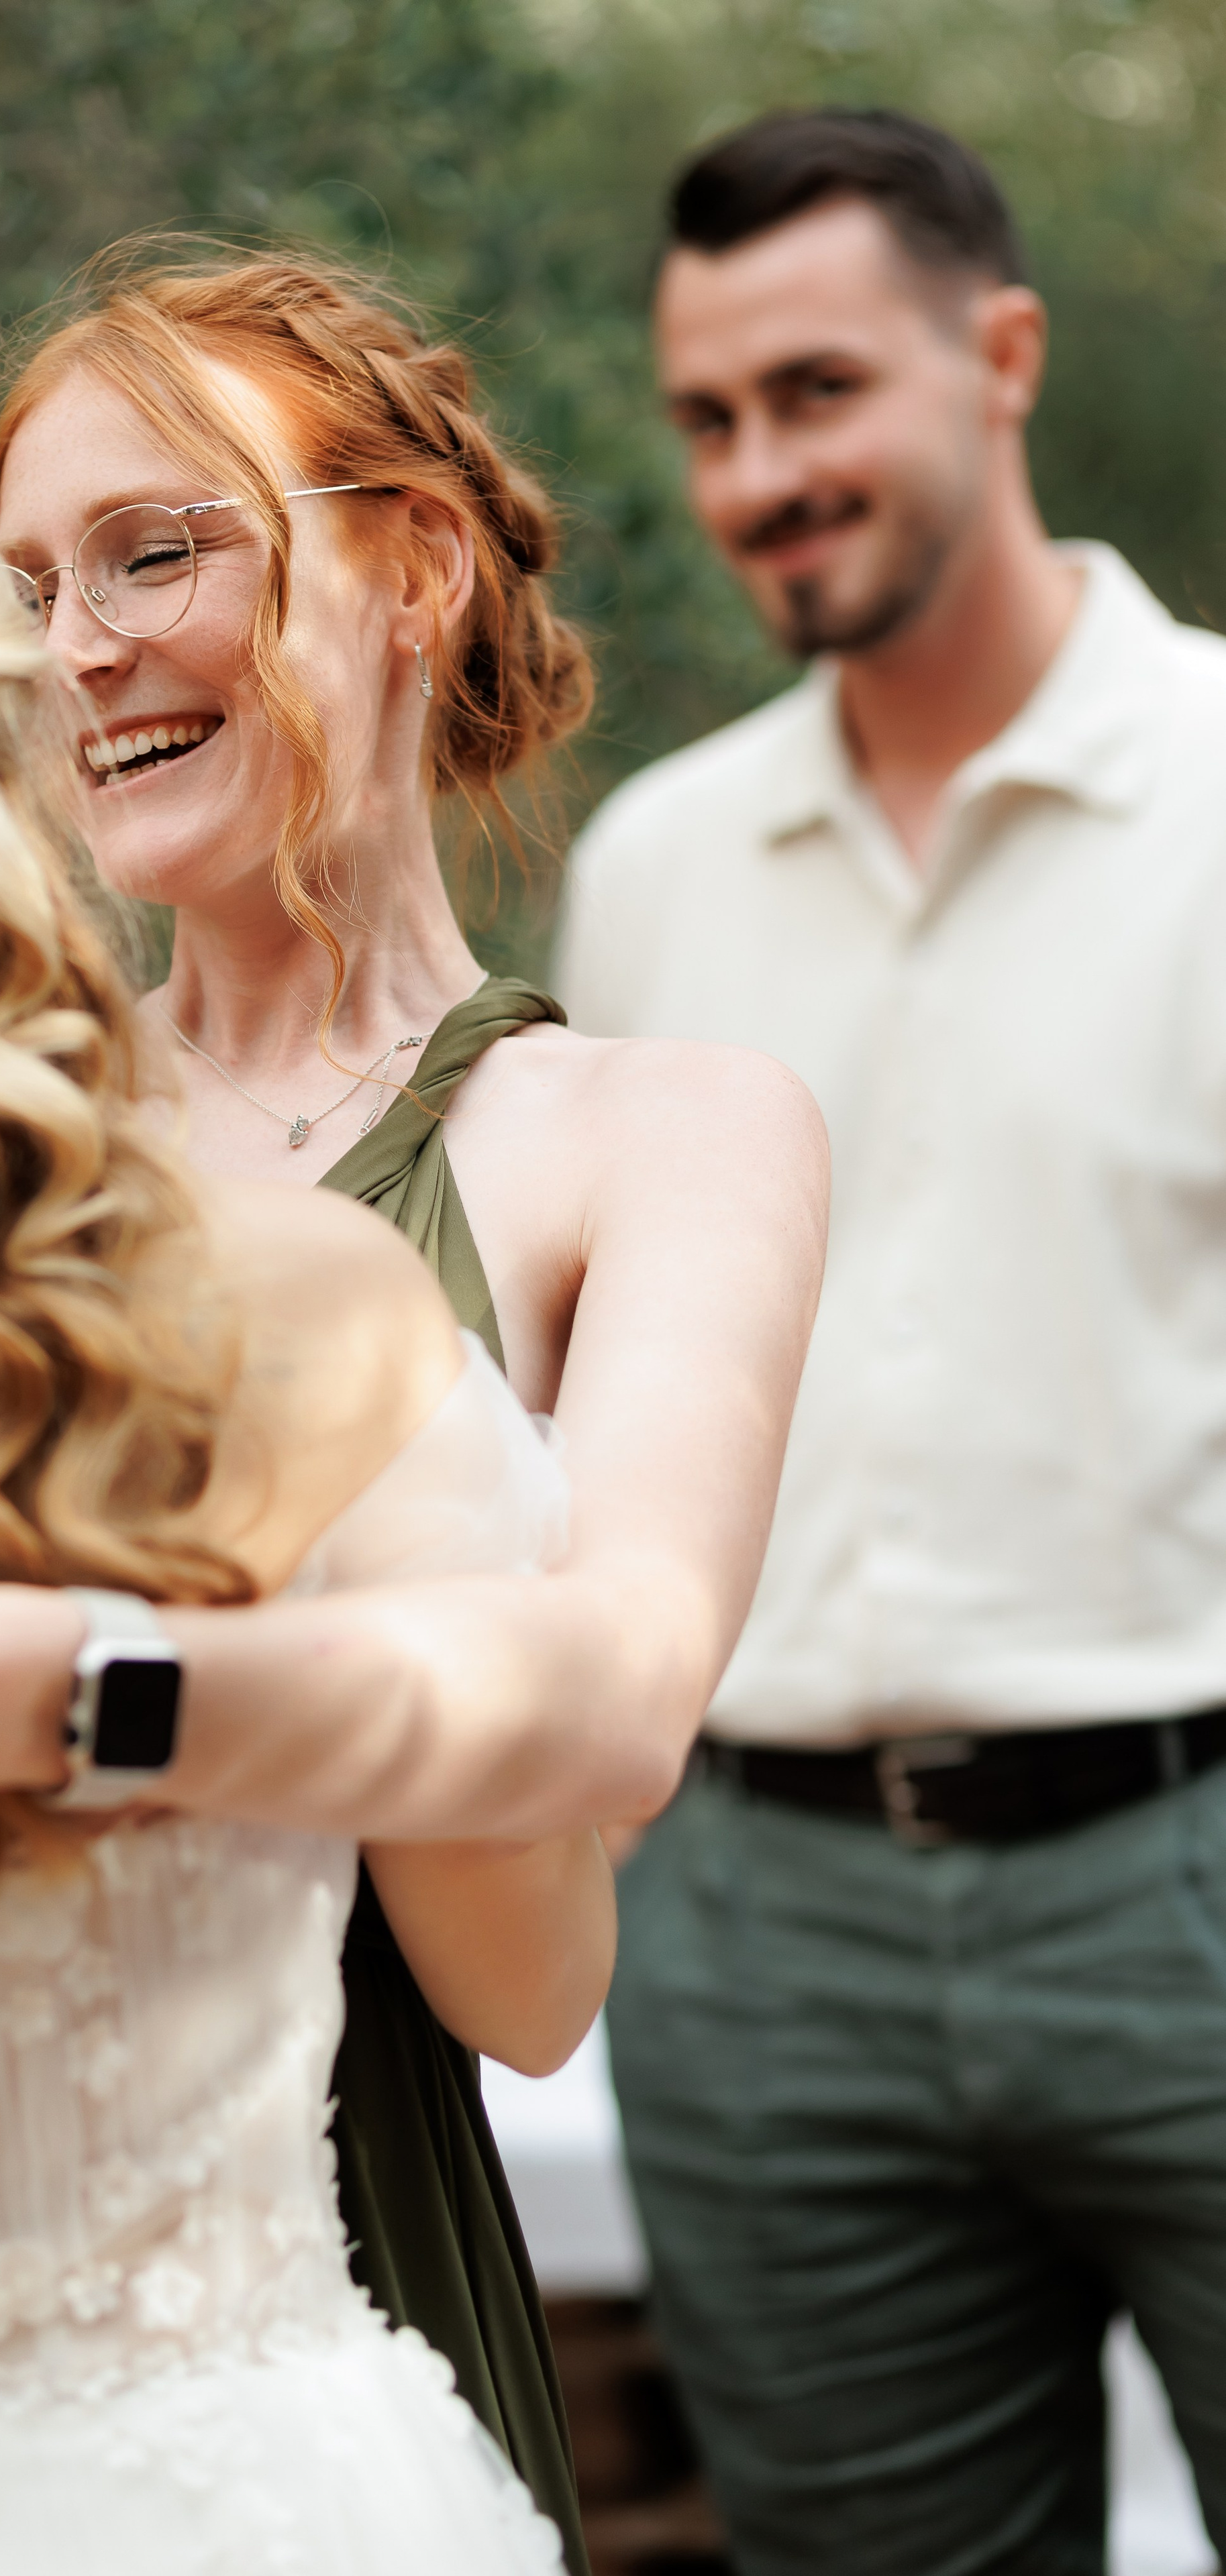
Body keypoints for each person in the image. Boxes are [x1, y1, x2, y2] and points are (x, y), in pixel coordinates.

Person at [0, 257, 829, 2573]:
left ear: (414, 566)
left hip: (329, 2260)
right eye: (21, 590)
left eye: (155, 552)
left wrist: (56, 1676)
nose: (74, 651)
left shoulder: (665, 1134)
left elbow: (598, 1768)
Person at [556, 105, 1226, 2576]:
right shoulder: (654, 867)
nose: (759, 476)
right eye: (711, 418)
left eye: (818, 391)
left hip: (1193, 1857)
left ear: (1005, 355)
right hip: (766, 1946)